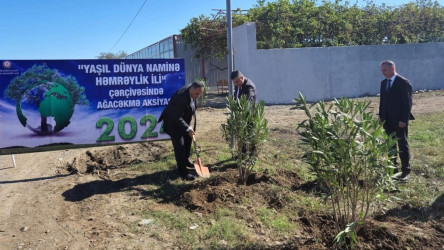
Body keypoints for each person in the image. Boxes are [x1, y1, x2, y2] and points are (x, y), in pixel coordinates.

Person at [158, 81, 204, 181]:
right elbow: (176, 116)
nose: (198, 96)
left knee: (188, 140)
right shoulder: (181, 98)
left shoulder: (192, 92)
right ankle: (183, 172)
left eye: (200, 94)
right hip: (173, 124)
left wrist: (188, 126)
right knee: (180, 147)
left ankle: (186, 161)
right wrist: (187, 128)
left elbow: (188, 110)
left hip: (183, 122)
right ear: (191, 89)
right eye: (197, 93)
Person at [378, 60, 414, 182]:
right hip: (387, 121)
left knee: (402, 145)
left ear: (392, 69)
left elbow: (407, 103)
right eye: (381, 70)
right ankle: (393, 170)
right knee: (390, 145)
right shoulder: (384, 83)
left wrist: (404, 120)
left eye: (385, 70)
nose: (382, 72)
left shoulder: (403, 83)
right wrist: (381, 117)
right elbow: (382, 101)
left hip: (399, 121)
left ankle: (406, 171)